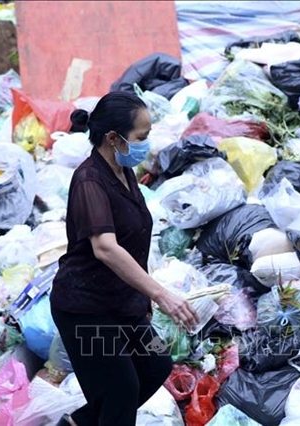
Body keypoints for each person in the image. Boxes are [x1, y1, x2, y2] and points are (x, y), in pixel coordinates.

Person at [50, 91, 200, 426]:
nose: (146, 144)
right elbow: (105, 246)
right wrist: (160, 294)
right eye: (141, 138)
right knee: (120, 390)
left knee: (155, 365)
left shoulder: (122, 170)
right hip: (85, 307)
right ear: (114, 138)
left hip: (120, 303)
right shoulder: (89, 180)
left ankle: (76, 424)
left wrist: (143, 296)